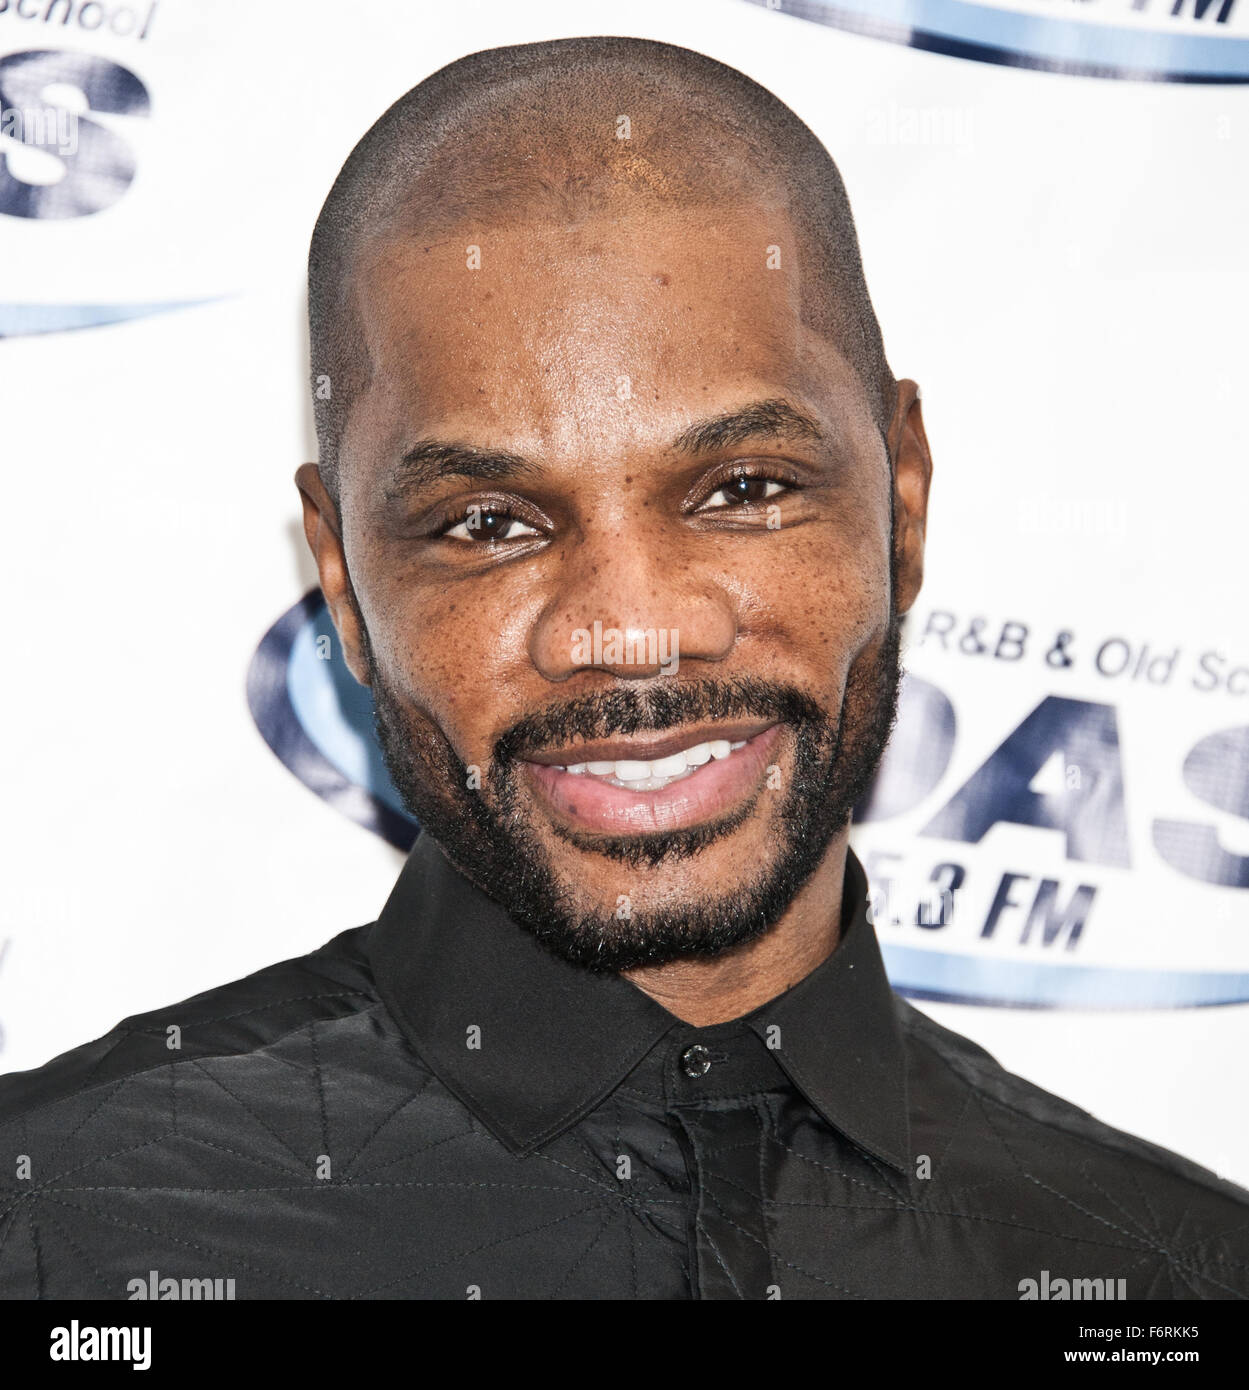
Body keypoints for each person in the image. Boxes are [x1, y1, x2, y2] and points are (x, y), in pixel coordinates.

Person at [2, 36, 1245, 1301]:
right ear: (342, 579)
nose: (629, 629)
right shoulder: (54, 1230)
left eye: (743, 489)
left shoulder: (1171, 1276)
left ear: (901, 505)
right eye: (489, 523)